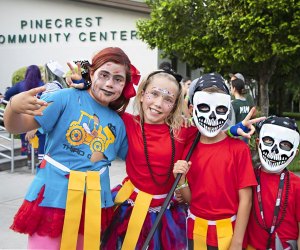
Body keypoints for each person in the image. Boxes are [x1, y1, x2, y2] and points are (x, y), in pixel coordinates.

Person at [3, 47, 138, 250]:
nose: (110, 83)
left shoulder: (119, 124)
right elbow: (16, 126)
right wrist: (13, 106)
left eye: (118, 79)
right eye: (104, 75)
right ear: (91, 74)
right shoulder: (64, 98)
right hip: (52, 199)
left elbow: (140, 161)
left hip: (91, 206)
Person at [173, 73, 258, 250]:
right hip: (195, 232)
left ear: (227, 110)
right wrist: (181, 182)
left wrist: (237, 241)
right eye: (204, 107)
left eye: (220, 109)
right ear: (191, 109)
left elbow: (246, 199)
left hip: (227, 233)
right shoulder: (189, 146)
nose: (212, 116)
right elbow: (192, 200)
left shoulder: (238, 150)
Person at [247, 116, 300, 250]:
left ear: (295, 153)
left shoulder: (296, 185)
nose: (275, 150)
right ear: (258, 142)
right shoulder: (248, 177)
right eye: (268, 141)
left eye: (285, 145)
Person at [4, 65, 45, 161]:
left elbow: (8, 94)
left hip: (23, 117)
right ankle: (39, 159)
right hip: (38, 117)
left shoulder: (20, 85)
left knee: (25, 136)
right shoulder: (42, 84)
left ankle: (29, 158)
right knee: (41, 139)